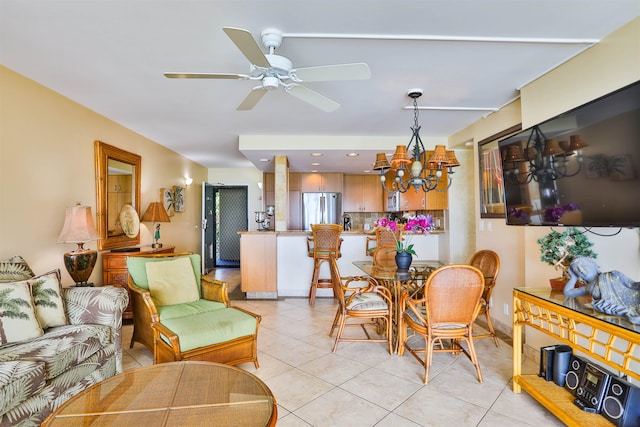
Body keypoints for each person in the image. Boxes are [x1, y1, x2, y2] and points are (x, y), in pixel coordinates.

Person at [564, 256, 640, 324]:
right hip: (623, 309)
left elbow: (632, 284)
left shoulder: (612, 274)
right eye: (576, 270)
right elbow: (568, 292)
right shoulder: (589, 288)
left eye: (583, 266)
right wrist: (573, 277)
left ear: (592, 265)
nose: (581, 270)